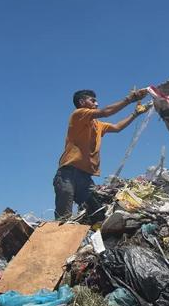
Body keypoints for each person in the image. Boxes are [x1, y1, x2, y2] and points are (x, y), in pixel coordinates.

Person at [54, 88, 148, 219]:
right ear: (82, 102)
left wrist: (135, 114)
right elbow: (105, 112)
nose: (96, 103)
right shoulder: (78, 114)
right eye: (92, 100)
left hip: (85, 177)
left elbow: (117, 127)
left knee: (97, 213)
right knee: (63, 216)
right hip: (68, 174)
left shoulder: (98, 125)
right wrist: (130, 99)